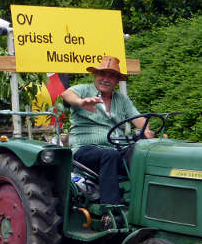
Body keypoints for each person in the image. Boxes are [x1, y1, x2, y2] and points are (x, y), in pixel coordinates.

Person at [60, 56, 154, 205]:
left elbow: (139, 119)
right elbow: (67, 94)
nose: (106, 79)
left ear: (117, 81)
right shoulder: (84, 90)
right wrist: (81, 102)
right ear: (95, 76)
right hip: (85, 150)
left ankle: (144, 202)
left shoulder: (121, 99)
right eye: (102, 74)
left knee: (142, 152)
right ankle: (110, 208)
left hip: (117, 148)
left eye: (111, 76)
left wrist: (147, 131)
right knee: (110, 154)